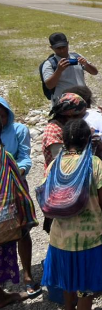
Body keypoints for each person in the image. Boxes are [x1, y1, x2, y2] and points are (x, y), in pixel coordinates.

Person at [41, 119, 102, 310]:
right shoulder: (93, 162)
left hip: (60, 238)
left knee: (68, 279)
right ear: (86, 139)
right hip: (88, 239)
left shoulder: (55, 164)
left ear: (64, 140)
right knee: (86, 287)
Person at [0, 98, 40, 297]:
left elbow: (24, 156)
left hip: (15, 187)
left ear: (7, 114)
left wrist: (17, 171)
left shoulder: (18, 130)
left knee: (22, 229)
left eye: (2, 114)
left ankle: (27, 275)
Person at [41, 32, 98, 104]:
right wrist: (59, 70)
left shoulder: (77, 56)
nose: (62, 50)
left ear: (68, 44)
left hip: (82, 99)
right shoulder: (49, 64)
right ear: (52, 48)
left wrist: (86, 64)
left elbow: (95, 72)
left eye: (64, 47)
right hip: (63, 102)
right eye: (58, 48)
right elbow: (49, 85)